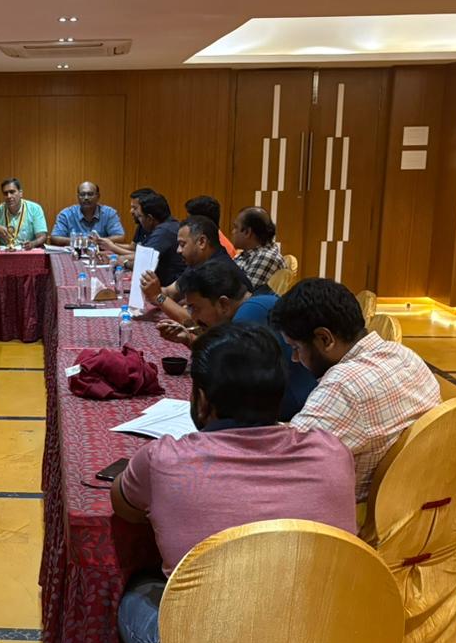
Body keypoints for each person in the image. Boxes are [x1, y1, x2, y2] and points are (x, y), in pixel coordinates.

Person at [111, 323, 356, 643]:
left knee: (134, 592)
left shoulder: (163, 460)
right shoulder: (332, 452)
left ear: (202, 400)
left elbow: (124, 507)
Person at [270, 279, 441, 502]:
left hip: (349, 514)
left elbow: (283, 463)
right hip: (410, 504)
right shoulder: (405, 355)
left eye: (296, 348)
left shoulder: (344, 386)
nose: (294, 358)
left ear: (325, 339)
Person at [168, 259, 317, 419]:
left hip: (292, 415)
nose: (193, 317)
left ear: (223, 304)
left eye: (195, 308)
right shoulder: (258, 302)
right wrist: (190, 340)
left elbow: (222, 372)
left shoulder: (249, 315)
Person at [140, 215, 236, 327]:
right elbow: (170, 293)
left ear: (202, 242)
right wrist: (149, 289)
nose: (178, 250)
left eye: (182, 244)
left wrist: (158, 296)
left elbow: (196, 321)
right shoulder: (197, 262)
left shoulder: (219, 269)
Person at [131, 191, 187, 286]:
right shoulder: (170, 225)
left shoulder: (164, 231)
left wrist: (123, 262)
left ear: (150, 218)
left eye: (140, 216)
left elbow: (143, 263)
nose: (139, 220)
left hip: (172, 286)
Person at [51, 182, 125, 246]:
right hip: (74, 253)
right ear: (78, 197)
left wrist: (97, 241)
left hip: (101, 253)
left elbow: (120, 237)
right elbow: (55, 238)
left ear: (98, 196)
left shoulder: (109, 213)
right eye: (82, 194)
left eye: (90, 194)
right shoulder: (66, 214)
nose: (86, 198)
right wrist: (83, 241)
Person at [232, 206, 288, 289]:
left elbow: (244, 293)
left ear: (247, 232)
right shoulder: (246, 254)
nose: (233, 232)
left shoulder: (267, 257)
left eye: (236, 227)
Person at [0, 178, 48, 249]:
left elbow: (42, 237)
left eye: (12, 192)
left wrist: (33, 243)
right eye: (5, 193)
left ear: (20, 193)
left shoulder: (35, 208)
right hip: (5, 252)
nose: (9, 196)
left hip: (27, 251)